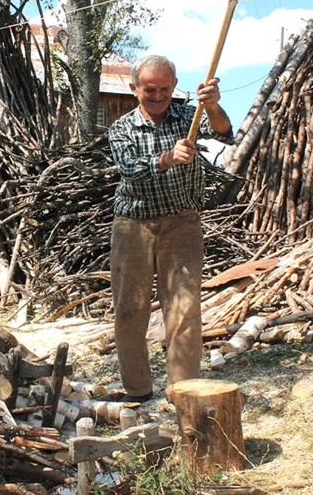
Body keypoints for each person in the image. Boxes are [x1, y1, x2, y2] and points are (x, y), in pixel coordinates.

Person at [107, 54, 234, 402]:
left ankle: (184, 392)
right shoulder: (122, 128)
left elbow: (224, 132)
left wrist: (212, 107)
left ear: (174, 87)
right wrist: (166, 158)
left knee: (184, 307)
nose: (158, 95)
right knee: (130, 308)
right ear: (134, 90)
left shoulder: (188, 117)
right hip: (133, 225)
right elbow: (130, 169)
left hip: (182, 223)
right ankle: (137, 390)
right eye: (150, 89)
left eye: (165, 88)